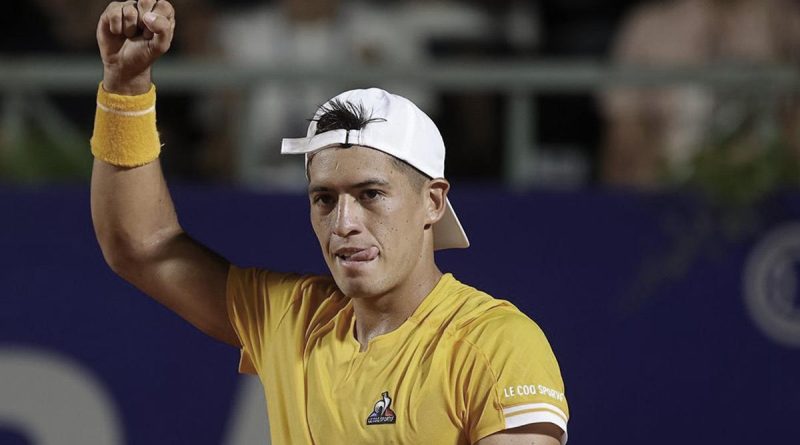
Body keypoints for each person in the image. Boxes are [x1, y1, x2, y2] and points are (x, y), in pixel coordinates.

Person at [90, 1, 569, 444]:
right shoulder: (290, 317)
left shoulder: (496, 342)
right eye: (324, 198)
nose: (343, 223)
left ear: (433, 202)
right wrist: (126, 90)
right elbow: (141, 246)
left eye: (370, 195)